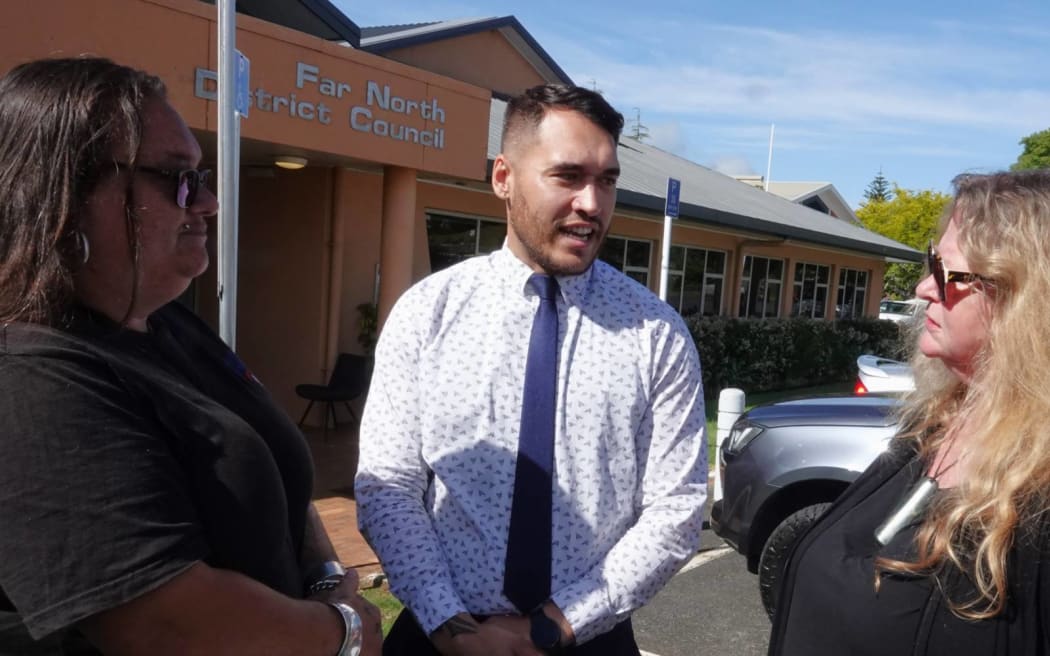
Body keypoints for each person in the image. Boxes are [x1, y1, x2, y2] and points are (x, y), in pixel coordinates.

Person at [0, 57, 381, 655]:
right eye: (178, 179)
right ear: (66, 193)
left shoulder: (166, 321)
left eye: (201, 177)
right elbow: (166, 625)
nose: (207, 203)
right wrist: (345, 633)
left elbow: (277, 469)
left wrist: (328, 581)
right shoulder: (28, 374)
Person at [355, 84, 708, 655]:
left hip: (589, 638)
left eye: (607, 180)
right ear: (504, 177)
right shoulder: (428, 313)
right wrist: (450, 626)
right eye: (567, 176)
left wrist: (554, 625)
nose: (592, 203)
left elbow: (677, 507)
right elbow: (388, 484)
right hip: (440, 637)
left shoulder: (655, 333)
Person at [768, 169, 1050, 655]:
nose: (923, 288)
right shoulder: (933, 429)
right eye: (930, 262)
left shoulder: (1038, 502)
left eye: (946, 273)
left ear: (1025, 301)